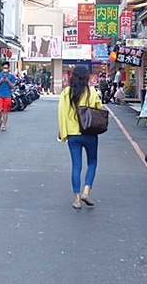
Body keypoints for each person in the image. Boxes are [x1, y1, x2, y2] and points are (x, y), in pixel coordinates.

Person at [57, 65, 103, 209]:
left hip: (72, 134)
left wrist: (62, 131)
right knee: (92, 162)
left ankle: (77, 199)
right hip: (89, 132)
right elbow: (99, 108)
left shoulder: (66, 93)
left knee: (76, 166)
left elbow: (61, 113)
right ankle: (86, 191)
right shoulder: (91, 91)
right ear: (87, 78)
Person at [0, 62, 16, 131]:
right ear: (1, 68)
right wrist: (1, 80)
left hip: (7, 95)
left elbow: (12, 86)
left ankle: (4, 125)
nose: (5, 69)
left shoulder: (11, 76)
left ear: (8, 68)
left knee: (5, 111)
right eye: (4, 68)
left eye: (6, 68)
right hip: (0, 94)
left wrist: (8, 81)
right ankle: (0, 120)